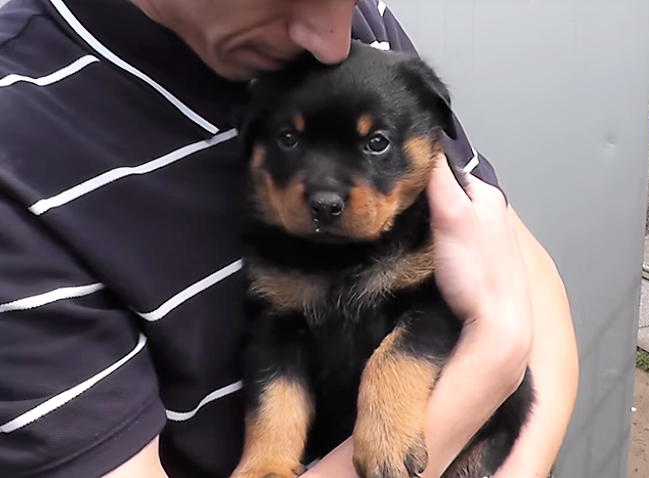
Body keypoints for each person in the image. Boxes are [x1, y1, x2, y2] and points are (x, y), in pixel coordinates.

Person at [0, 0, 579, 477]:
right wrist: (495, 348)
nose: (331, 40)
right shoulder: (17, 151)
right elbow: (280, 347)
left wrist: (503, 361)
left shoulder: (357, 30)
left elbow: (511, 254)